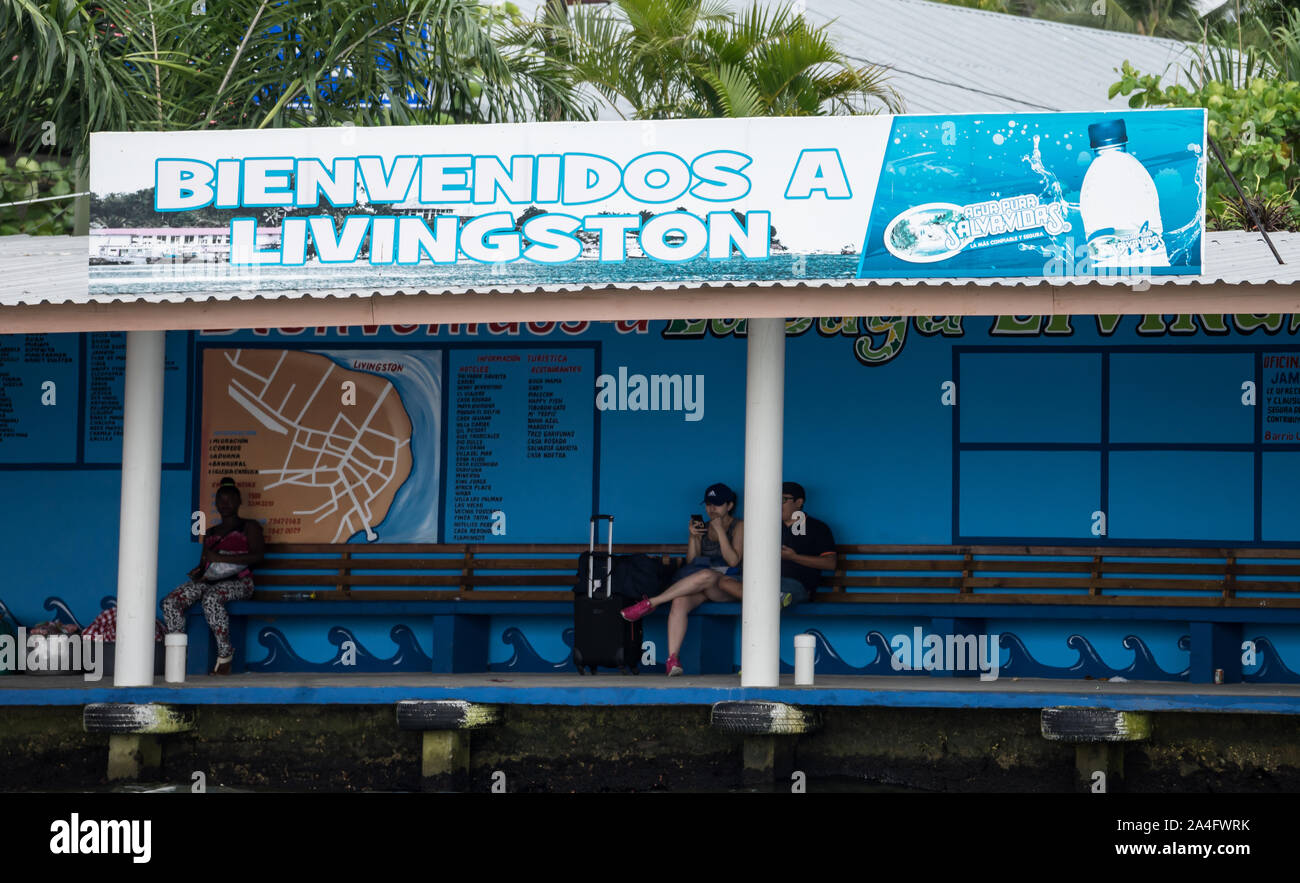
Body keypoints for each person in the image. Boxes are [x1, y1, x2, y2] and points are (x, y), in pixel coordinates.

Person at [620, 483, 742, 677]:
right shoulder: (705, 527)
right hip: (701, 585)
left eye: (717, 504)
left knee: (707, 576)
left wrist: (720, 532)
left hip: (726, 586)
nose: (712, 509)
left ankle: (652, 602)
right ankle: (673, 659)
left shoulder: (738, 526)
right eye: (709, 504)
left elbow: (734, 560)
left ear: (729, 505)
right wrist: (693, 538)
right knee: (679, 601)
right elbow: (692, 562)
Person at [162, 476, 265, 675]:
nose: (225, 504)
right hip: (210, 581)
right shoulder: (210, 533)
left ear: (239, 501)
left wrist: (222, 557)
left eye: (230, 499)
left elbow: (258, 556)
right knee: (171, 602)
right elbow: (205, 564)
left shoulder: (249, 527)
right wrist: (199, 572)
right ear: (216, 503)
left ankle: (225, 655)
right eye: (221, 500)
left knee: (211, 599)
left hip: (240, 583)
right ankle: (178, 654)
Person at [716, 482, 836, 607]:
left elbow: (830, 563)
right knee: (724, 582)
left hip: (797, 586)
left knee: (763, 590)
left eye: (783, 499)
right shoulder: (769, 527)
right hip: (765, 582)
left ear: (799, 502)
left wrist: (793, 557)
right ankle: (773, 600)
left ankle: (772, 599)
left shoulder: (817, 527)